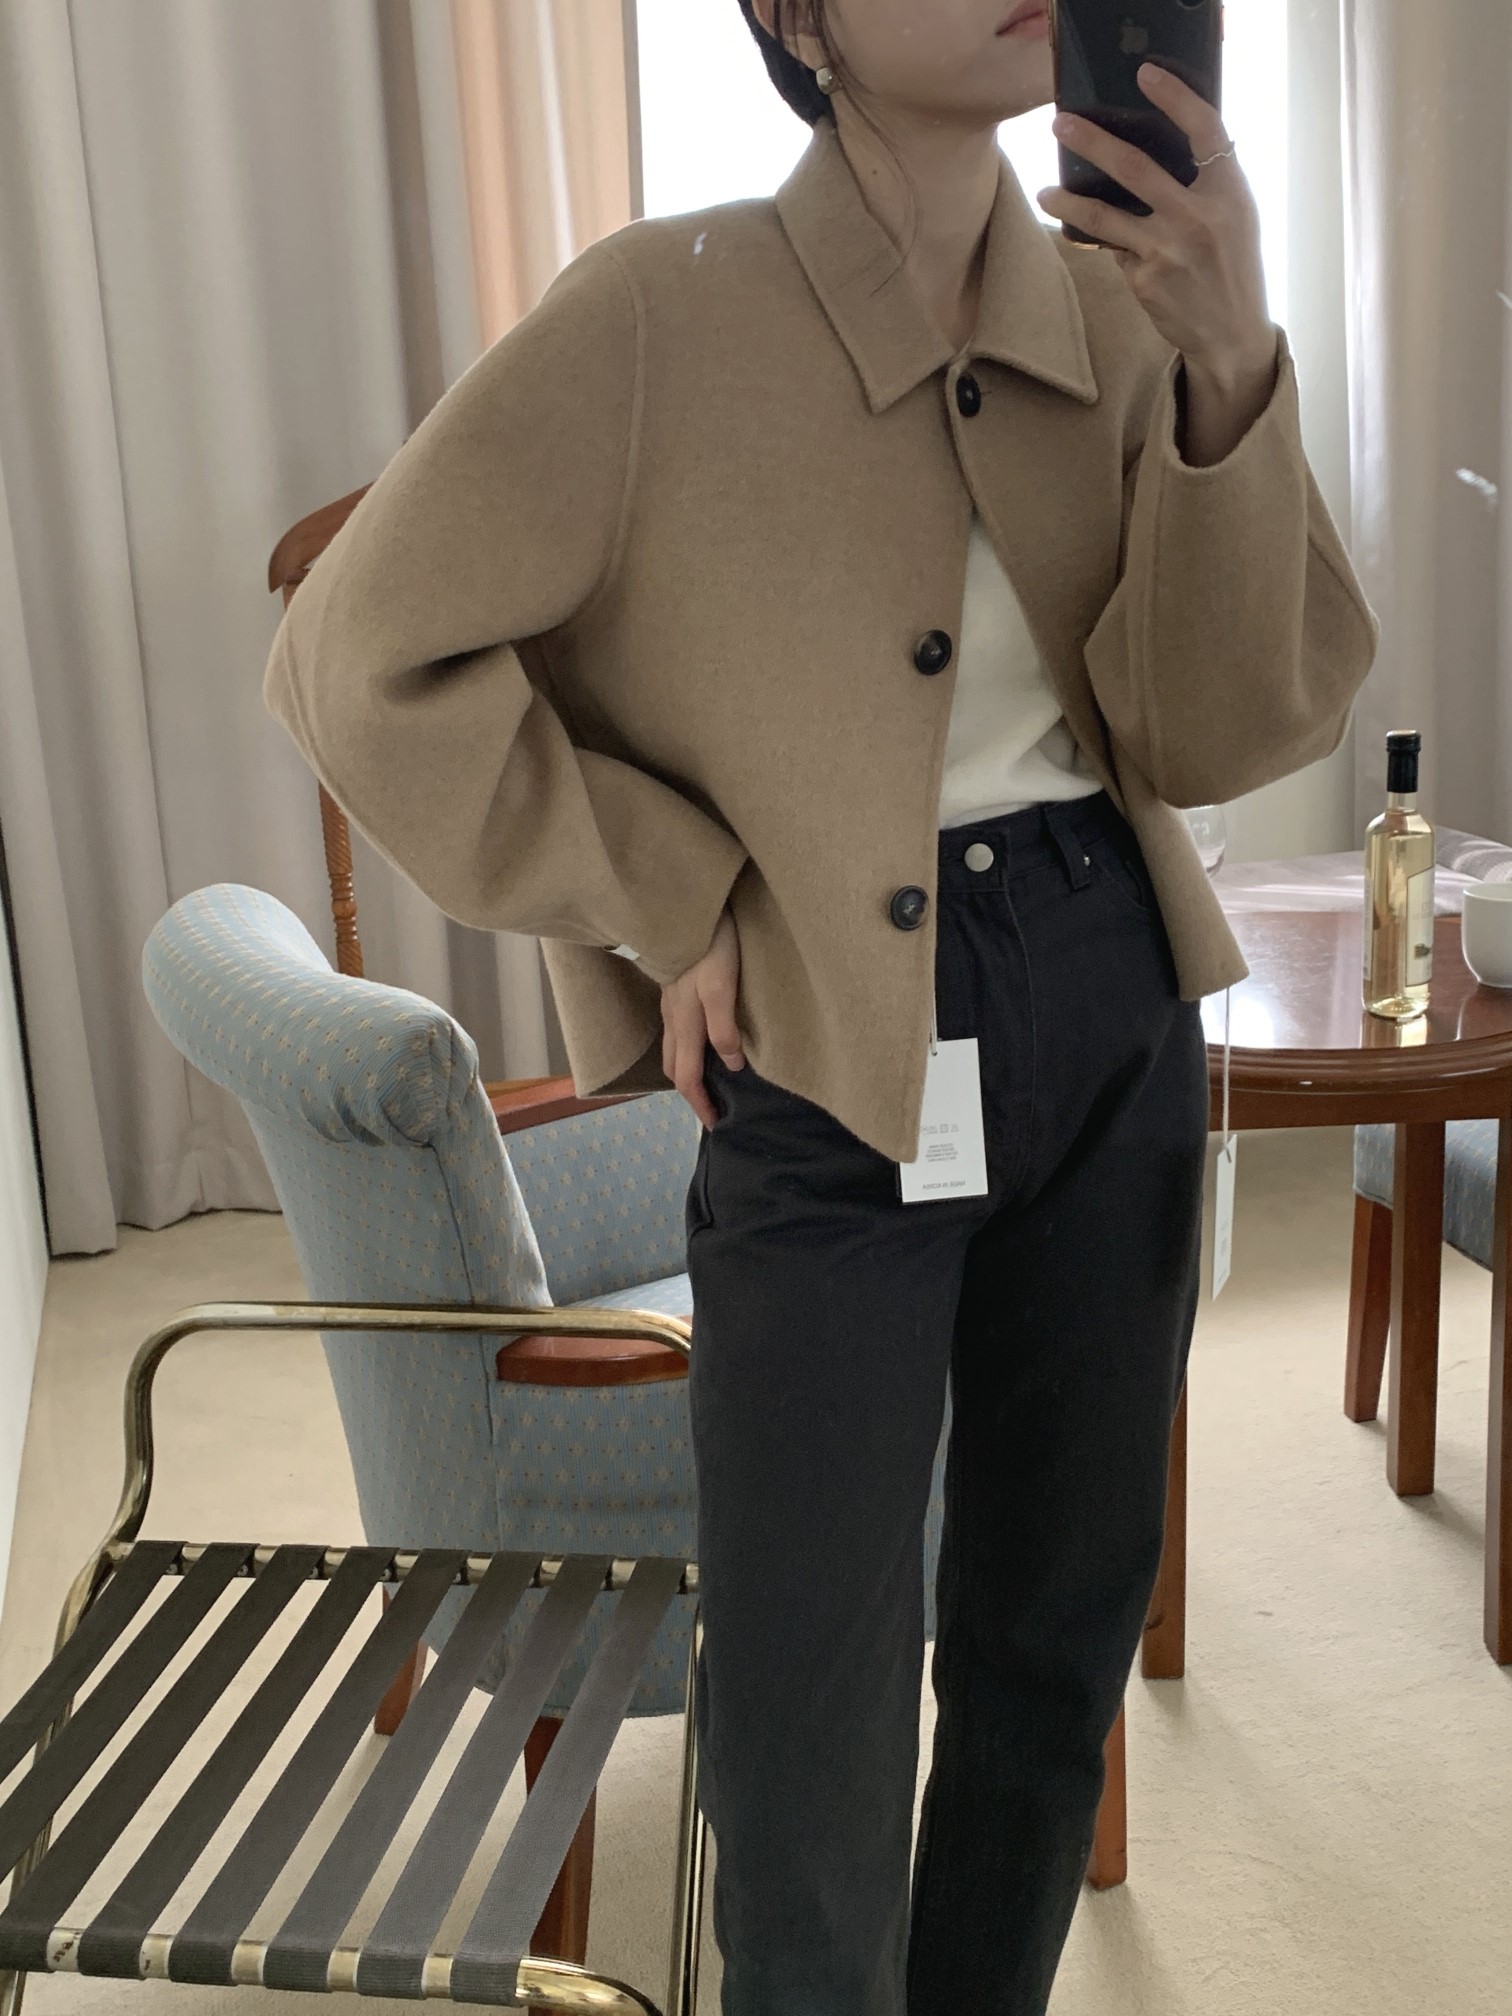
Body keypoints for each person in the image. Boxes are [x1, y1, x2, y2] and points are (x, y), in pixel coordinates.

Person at [263, 2, 1379, 2008]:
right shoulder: (656, 315)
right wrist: (661, 885)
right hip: (825, 1043)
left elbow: (1213, 729)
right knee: (808, 1721)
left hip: (1114, 1003)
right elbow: (358, 659)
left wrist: (1231, 362)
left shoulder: (1119, 307)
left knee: (1052, 1648)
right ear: (794, 14)